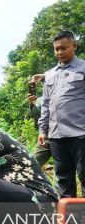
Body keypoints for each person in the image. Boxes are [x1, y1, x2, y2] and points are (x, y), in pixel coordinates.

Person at [38, 30, 85, 198]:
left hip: (81, 134)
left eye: (63, 48)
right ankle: (70, 221)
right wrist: (42, 130)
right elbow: (45, 104)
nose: (59, 52)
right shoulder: (49, 75)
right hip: (57, 136)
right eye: (56, 49)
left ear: (74, 46)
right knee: (63, 180)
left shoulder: (83, 68)